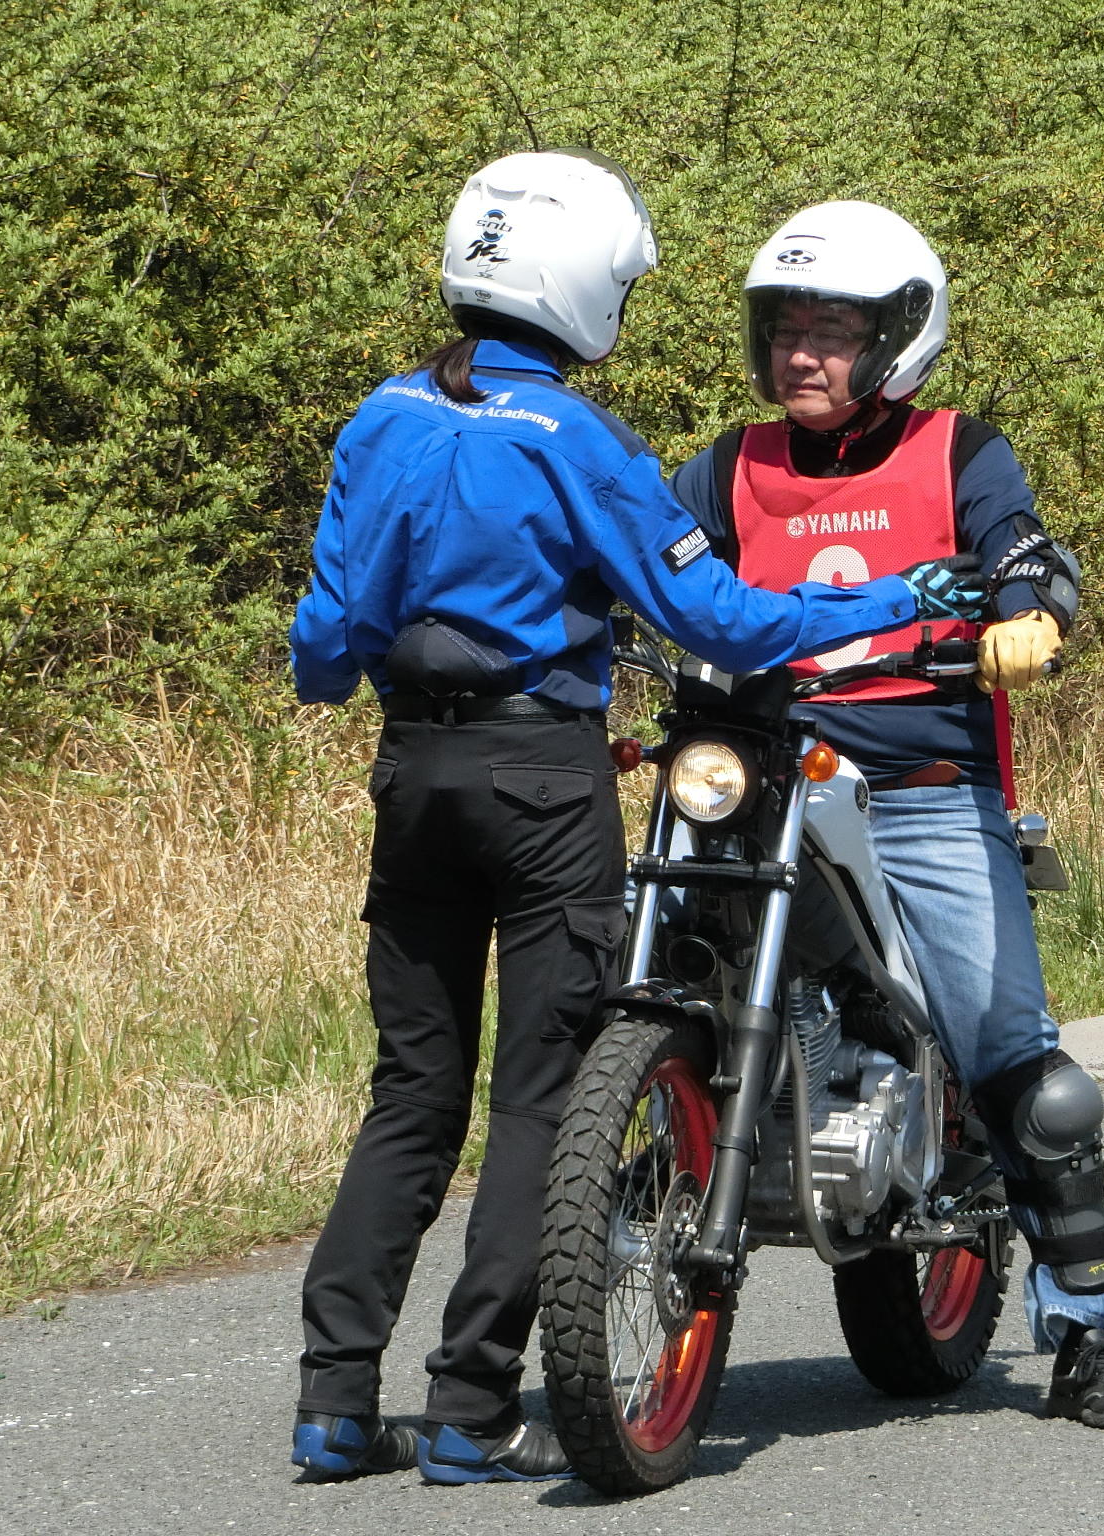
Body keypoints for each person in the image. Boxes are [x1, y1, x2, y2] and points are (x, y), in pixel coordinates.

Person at [285, 156, 988, 1485]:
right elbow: (724, 618)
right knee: (542, 1097)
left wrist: (395, 657)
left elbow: (326, 644)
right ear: (578, 281)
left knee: (410, 1093)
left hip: (410, 784)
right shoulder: (580, 444)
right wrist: (892, 599)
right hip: (542, 785)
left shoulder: (378, 421)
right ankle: (465, 1404)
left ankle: (332, 1401)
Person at [671, 201, 1104, 1430]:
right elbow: (642, 558)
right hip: (759, 775)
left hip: (922, 785)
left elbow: (1024, 550)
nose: (800, 353)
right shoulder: (725, 466)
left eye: (830, 329)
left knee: (1018, 1062)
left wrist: (1030, 610)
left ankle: (1085, 1334)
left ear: (895, 338)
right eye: (784, 327)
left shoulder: (958, 451)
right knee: (617, 997)